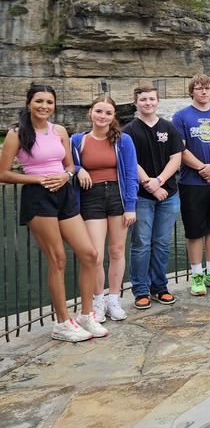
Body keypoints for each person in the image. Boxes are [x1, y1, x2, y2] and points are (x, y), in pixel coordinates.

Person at [0, 85, 104, 342]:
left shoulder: (59, 131)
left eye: (49, 102)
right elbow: (2, 174)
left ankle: (86, 315)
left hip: (64, 193)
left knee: (90, 254)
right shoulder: (17, 134)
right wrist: (37, 180)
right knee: (58, 259)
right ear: (28, 103)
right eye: (39, 101)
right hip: (38, 198)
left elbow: (69, 164)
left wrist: (66, 175)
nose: (44, 106)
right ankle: (61, 323)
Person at [71, 97, 139, 323]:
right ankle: (98, 300)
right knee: (96, 254)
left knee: (117, 250)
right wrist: (79, 168)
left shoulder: (123, 140)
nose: (103, 116)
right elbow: (65, 163)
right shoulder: (77, 140)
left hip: (118, 197)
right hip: (91, 197)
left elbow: (130, 173)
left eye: (108, 113)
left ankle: (114, 299)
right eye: (98, 111)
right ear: (90, 113)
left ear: (113, 117)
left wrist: (130, 206)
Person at [123, 85, 183, 311]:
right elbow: (130, 161)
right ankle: (140, 290)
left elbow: (175, 158)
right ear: (135, 103)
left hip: (169, 194)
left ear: (158, 101)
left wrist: (159, 181)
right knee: (141, 244)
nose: (148, 103)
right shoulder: (129, 130)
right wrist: (150, 183)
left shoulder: (169, 127)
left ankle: (160, 286)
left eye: (151, 99)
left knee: (161, 243)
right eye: (143, 99)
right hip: (141, 196)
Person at [172, 74, 210, 297]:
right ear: (192, 91)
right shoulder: (181, 116)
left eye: (207, 88)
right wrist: (203, 169)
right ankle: (196, 274)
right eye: (199, 88)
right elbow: (181, 149)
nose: (204, 92)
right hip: (192, 182)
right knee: (195, 230)